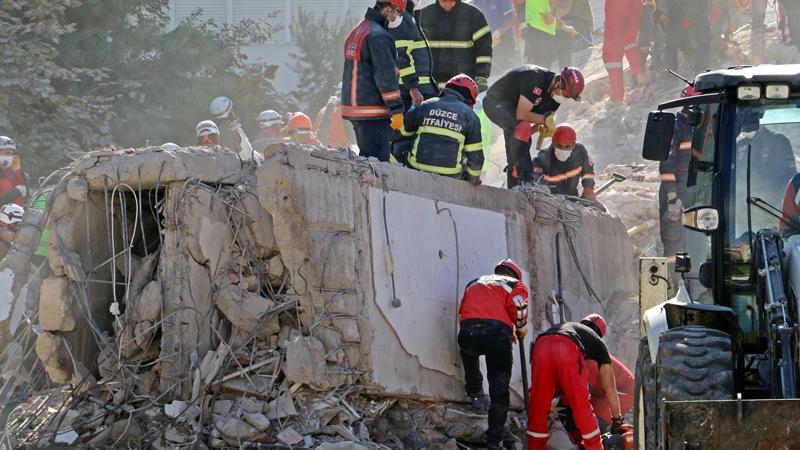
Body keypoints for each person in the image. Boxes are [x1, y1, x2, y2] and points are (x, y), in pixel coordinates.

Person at [527, 314, 631, 450]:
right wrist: (617, 420)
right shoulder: (597, 345)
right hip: (567, 347)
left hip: (540, 344)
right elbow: (610, 388)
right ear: (600, 334)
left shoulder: (573, 329)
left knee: (538, 408)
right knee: (581, 406)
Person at [458, 259, 529, 449]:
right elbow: (519, 309)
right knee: (499, 388)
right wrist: (519, 328)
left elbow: (463, 311)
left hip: (468, 330)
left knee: (469, 355)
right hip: (497, 335)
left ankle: (475, 395)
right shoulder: (515, 284)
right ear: (515, 274)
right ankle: (494, 440)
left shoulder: (474, 282)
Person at [483, 65, 584, 188]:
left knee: (518, 143)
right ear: (558, 82)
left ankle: (514, 186)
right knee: (520, 129)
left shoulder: (555, 100)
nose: (564, 98)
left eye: (567, 97)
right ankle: (528, 182)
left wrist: (540, 128)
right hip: (495, 103)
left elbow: (527, 130)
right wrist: (543, 120)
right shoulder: (535, 79)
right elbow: (521, 114)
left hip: (514, 112)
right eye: (565, 95)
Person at [341, 1, 405, 162]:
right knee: (377, 166)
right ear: (387, 8)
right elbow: (386, 75)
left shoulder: (359, 29)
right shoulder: (379, 36)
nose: (397, 17)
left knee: (366, 161)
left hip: (355, 109)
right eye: (398, 12)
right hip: (372, 112)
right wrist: (396, 109)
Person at [396, 74, 484, 183]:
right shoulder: (471, 116)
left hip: (417, 168)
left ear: (447, 88)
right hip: (452, 175)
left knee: (397, 144)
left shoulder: (426, 105)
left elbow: (400, 134)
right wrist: (472, 179)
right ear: (470, 99)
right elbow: (476, 158)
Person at [659, 86, 703, 266]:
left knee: (696, 245)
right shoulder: (676, 128)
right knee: (674, 246)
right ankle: (674, 286)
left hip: (696, 196)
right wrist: (672, 200)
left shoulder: (700, 128)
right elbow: (667, 166)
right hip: (676, 199)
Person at [557, 355, 635, 447]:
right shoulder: (580, 356)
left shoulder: (589, 360)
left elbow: (582, 397)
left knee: (590, 423)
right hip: (604, 394)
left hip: (624, 394)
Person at [418, 0, 493, 92]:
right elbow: (414, 50)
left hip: (463, 90)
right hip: (431, 89)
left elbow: (484, 49)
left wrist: (482, 76)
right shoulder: (423, 16)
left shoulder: (474, 15)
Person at [387, 0, 438, 110]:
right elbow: (400, 55)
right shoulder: (400, 16)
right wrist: (413, 88)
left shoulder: (408, 15)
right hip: (410, 92)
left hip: (418, 89)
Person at [532, 123, 596, 200]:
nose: (563, 149)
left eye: (567, 146)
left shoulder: (580, 151)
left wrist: (588, 188)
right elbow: (535, 178)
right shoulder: (544, 156)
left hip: (573, 197)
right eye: (559, 146)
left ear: (573, 144)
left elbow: (588, 171)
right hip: (551, 199)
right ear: (553, 144)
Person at [603, 0, 647, 103]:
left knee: (611, 53)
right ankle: (641, 78)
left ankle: (616, 95)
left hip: (619, 5)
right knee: (629, 40)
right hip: (633, 5)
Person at [661, 0, 711, 72]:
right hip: (676, 13)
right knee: (671, 42)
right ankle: (670, 71)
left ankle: (703, 68)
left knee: (703, 37)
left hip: (692, 12)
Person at [0, 137, 26, 207]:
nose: (10, 156)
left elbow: (24, 192)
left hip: (14, 215)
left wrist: (17, 170)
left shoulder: (9, 172)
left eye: (11, 154)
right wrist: (17, 192)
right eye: (7, 153)